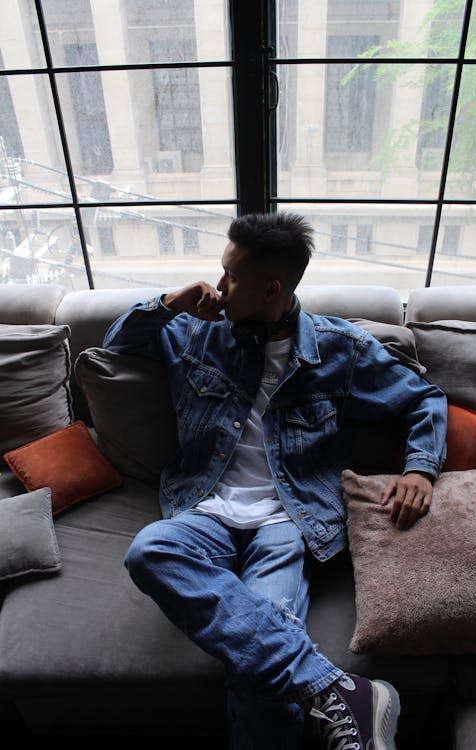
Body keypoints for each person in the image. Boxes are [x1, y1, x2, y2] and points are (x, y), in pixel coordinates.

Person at [103, 212, 448, 750]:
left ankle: (324, 691)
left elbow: (423, 398)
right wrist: (170, 303)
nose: (217, 285)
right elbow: (118, 344)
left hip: (289, 521)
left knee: (257, 655)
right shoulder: (196, 331)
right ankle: (339, 689)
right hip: (204, 510)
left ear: (272, 289)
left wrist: (421, 468)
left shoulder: (340, 350)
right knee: (149, 551)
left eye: (230, 276)